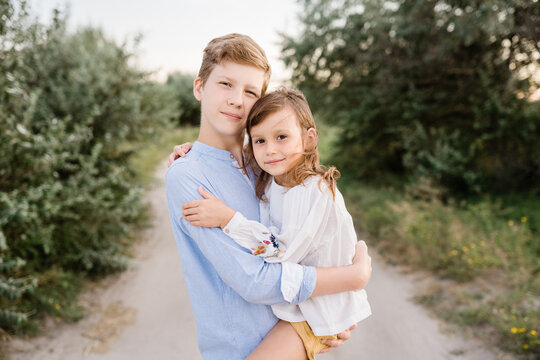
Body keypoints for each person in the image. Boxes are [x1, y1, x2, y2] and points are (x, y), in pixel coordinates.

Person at [165, 33, 372, 360]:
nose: (237, 100)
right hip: (241, 349)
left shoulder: (263, 163)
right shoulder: (188, 174)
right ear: (199, 87)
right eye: (225, 84)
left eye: (250, 92)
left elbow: (309, 242)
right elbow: (254, 282)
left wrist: (326, 316)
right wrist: (347, 279)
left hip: (292, 336)